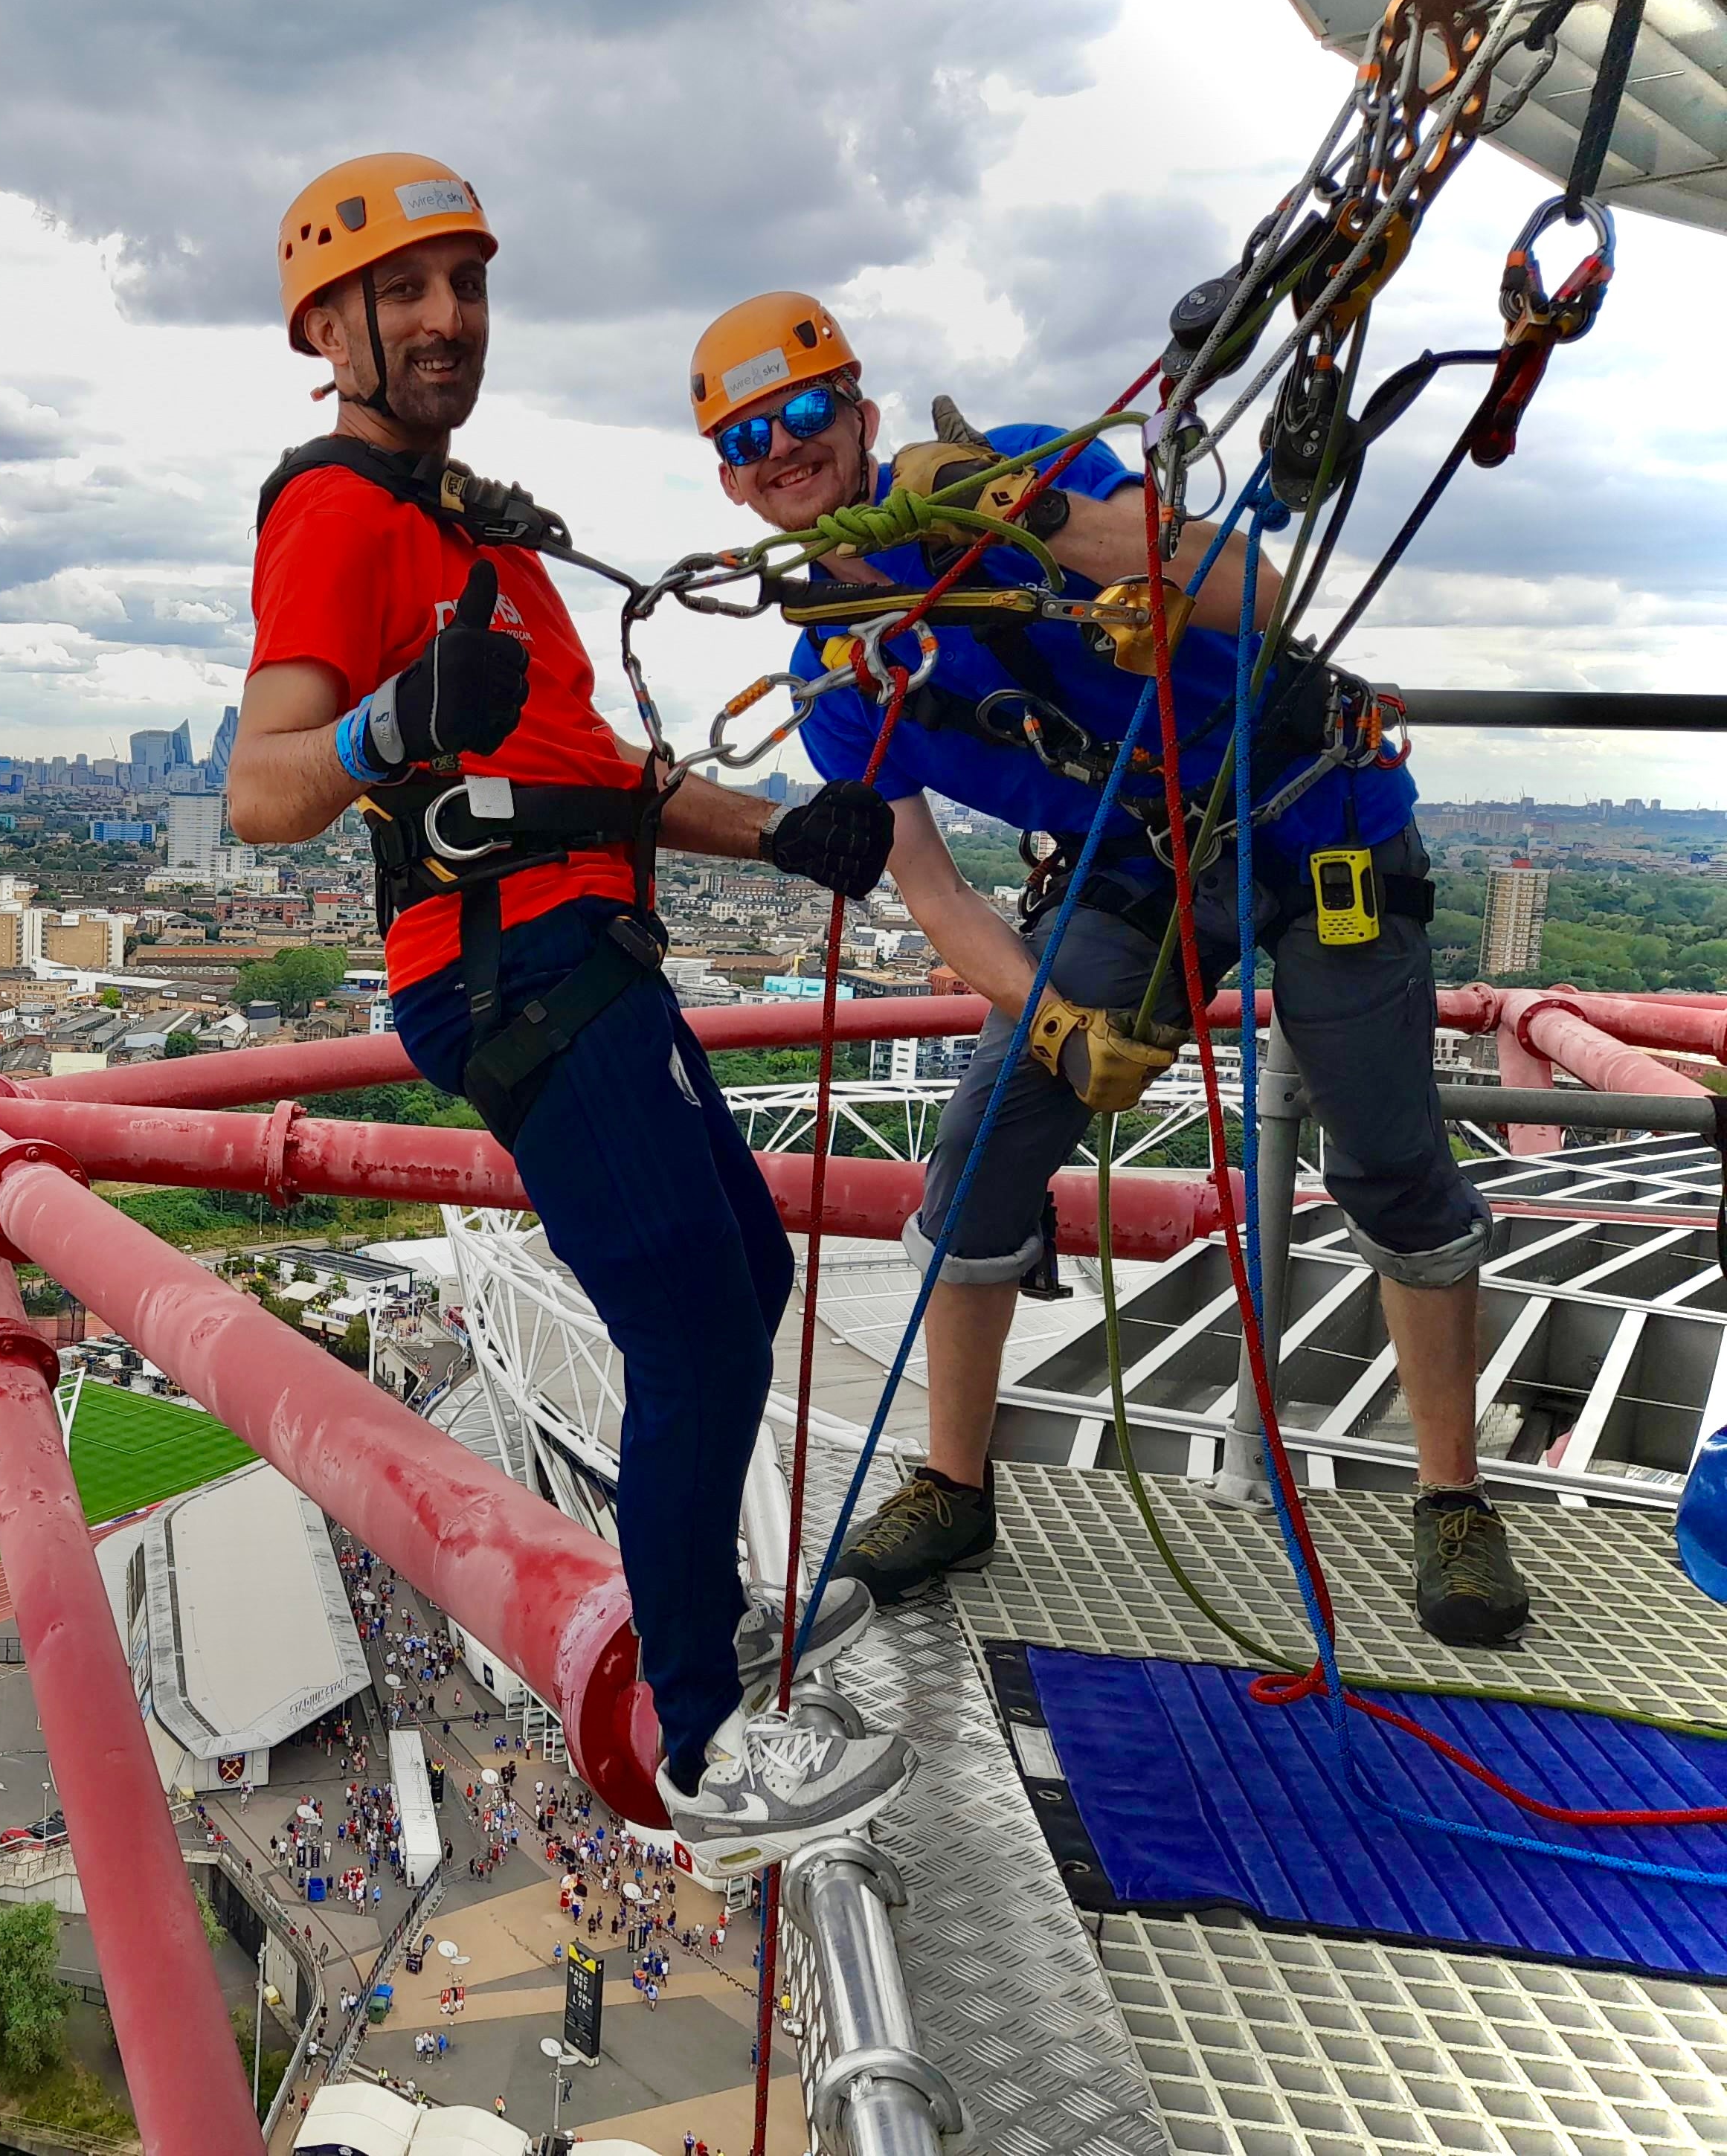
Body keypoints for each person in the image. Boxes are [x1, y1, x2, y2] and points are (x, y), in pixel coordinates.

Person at [234, 152, 907, 1876]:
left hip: (576, 943)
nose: (448, 315)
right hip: (508, 965)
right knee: (690, 1335)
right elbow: (261, 792)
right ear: (327, 326)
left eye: (464, 282)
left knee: (744, 1283)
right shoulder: (335, 512)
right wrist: (390, 726)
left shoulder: (481, 539)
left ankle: (715, 1628)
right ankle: (698, 1745)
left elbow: (591, 774)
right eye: (404, 291)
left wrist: (783, 832)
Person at [687, 291, 1526, 1645]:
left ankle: (1454, 1500)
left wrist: (1018, 518)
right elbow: (935, 891)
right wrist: (1059, 1018)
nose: (780, 452)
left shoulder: (1025, 466)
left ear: (862, 416)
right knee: (978, 1156)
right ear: (727, 477)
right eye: (747, 441)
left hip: (1318, 814)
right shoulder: (836, 679)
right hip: (1145, 864)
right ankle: (954, 1483)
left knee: (1386, 1153)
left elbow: (1247, 586)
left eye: (801, 415)